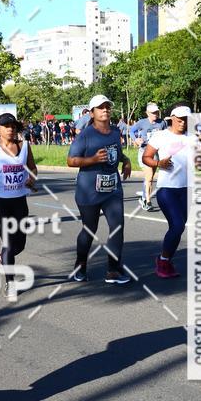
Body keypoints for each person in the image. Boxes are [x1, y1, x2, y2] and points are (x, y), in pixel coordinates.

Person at [67, 94, 132, 284]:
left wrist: (126, 160)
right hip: (89, 191)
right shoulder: (86, 135)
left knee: (117, 227)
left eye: (107, 106)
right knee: (89, 229)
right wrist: (92, 160)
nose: (105, 109)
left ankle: (113, 270)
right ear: (92, 113)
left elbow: (117, 154)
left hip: (112, 189)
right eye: (100, 107)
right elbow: (71, 160)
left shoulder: (114, 132)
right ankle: (80, 267)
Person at [0, 112, 37, 300]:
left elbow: (32, 168)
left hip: (19, 199)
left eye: (12, 125)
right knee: (9, 242)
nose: (10, 129)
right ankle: (10, 283)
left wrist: (31, 178)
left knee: (20, 243)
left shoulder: (25, 146)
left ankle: (4, 256)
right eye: (6, 126)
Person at [142, 103, 193, 279]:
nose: (183, 123)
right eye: (180, 120)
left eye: (186, 120)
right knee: (178, 225)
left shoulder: (192, 137)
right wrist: (159, 163)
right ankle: (163, 261)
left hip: (187, 189)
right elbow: (146, 157)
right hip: (167, 189)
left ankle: (166, 259)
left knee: (178, 228)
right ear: (172, 118)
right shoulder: (160, 136)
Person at [130, 103, 167, 211]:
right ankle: (147, 201)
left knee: (148, 178)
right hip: (144, 152)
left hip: (156, 153)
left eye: (156, 112)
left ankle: (143, 197)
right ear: (147, 113)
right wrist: (136, 139)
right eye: (153, 112)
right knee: (149, 177)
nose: (155, 114)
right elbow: (132, 131)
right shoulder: (142, 123)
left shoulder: (162, 123)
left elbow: (166, 134)